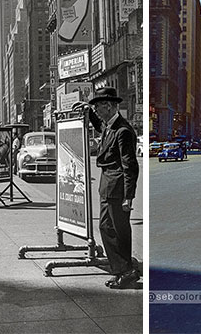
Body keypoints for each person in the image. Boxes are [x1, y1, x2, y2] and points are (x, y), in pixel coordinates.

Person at [78, 87, 140, 290]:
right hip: (107, 186)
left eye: (97, 106)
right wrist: (87, 110)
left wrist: (128, 196)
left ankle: (127, 271)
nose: (96, 110)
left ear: (110, 106)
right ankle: (121, 269)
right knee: (106, 227)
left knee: (119, 230)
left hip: (118, 188)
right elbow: (98, 125)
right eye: (94, 106)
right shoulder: (108, 126)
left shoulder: (123, 131)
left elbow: (130, 165)